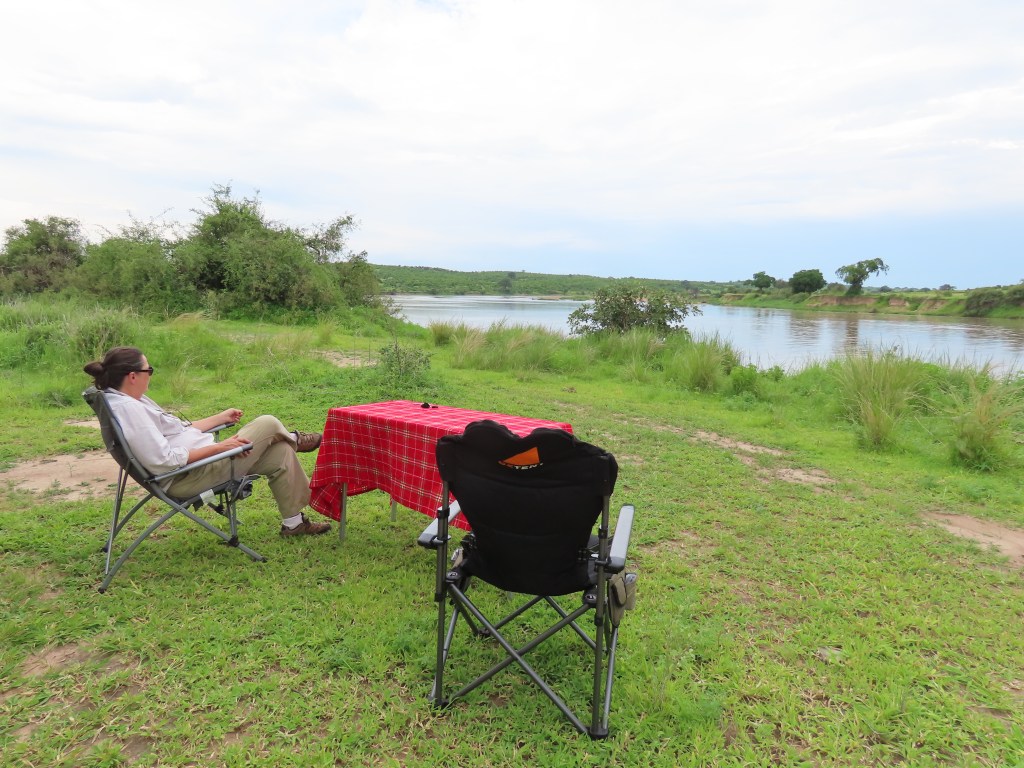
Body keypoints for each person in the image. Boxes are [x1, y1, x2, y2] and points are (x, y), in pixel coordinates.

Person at [83, 346, 331, 537]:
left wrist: (220, 418)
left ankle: (294, 524)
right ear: (132, 376)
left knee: (280, 452)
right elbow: (164, 461)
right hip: (188, 477)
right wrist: (220, 448)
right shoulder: (130, 411)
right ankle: (297, 439)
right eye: (149, 370)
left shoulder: (129, 400)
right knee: (267, 422)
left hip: (202, 464)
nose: (151, 375)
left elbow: (178, 429)